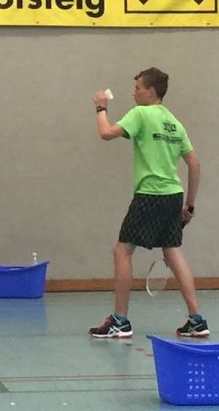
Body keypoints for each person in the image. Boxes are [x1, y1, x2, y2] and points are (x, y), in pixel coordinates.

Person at [88, 67, 208, 339]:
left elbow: (106, 133)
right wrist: (189, 205)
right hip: (174, 195)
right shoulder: (174, 123)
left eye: (138, 88)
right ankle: (197, 320)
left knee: (122, 250)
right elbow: (194, 163)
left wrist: (100, 108)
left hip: (150, 194)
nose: (134, 93)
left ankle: (120, 321)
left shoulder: (141, 114)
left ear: (151, 91)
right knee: (172, 252)